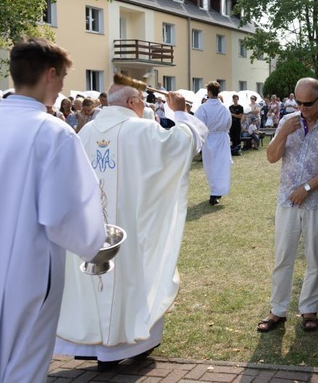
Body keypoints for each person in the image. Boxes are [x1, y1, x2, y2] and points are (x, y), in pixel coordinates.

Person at [55, 74, 208, 370]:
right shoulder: (142, 130)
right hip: (130, 226)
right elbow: (183, 143)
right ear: (132, 102)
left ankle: (98, 346)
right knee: (133, 274)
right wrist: (178, 111)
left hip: (91, 226)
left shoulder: (85, 133)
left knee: (95, 279)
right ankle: (130, 343)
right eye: (140, 102)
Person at [0, 38, 105, 382]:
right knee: (25, 358)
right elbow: (68, 212)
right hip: (27, 266)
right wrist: (93, 244)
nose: (64, 86)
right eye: (63, 77)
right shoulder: (54, 133)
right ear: (50, 74)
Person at [256, 78, 318, 333]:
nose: (302, 108)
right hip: (287, 201)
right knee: (282, 257)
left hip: (317, 201)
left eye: (308, 103)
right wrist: (283, 132)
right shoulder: (288, 121)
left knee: (315, 259)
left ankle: (309, 309)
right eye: (298, 102)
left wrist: (307, 188)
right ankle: (278, 310)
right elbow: (272, 157)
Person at [196, 81, 232, 206]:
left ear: (209, 92)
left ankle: (215, 192)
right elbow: (228, 123)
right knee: (220, 165)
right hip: (221, 138)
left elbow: (199, 124)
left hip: (210, 138)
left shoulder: (203, 108)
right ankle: (217, 191)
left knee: (212, 166)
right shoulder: (224, 108)